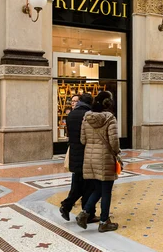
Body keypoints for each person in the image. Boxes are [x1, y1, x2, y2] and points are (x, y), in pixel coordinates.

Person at [76, 91, 120, 232]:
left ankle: (84, 213)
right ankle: (104, 221)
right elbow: (114, 142)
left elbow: (83, 140)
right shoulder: (110, 118)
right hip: (105, 158)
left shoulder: (86, 118)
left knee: (98, 189)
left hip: (90, 159)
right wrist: (117, 152)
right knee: (106, 191)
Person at [60, 93, 98, 223]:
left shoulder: (71, 115)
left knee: (77, 184)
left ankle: (68, 206)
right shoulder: (88, 115)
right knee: (89, 185)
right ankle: (87, 213)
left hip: (75, 154)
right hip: (86, 154)